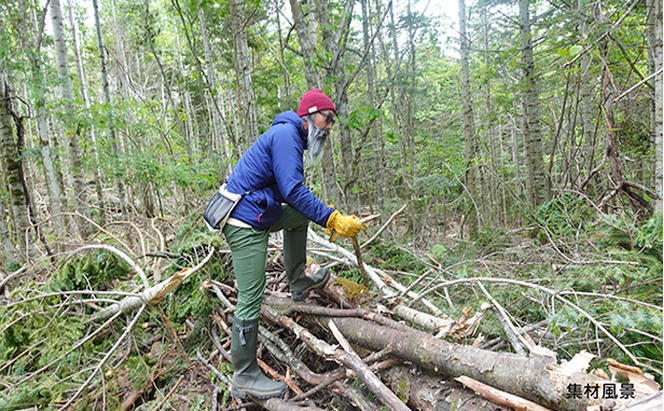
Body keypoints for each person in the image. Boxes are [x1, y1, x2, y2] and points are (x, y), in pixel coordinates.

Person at [223, 89, 368, 399]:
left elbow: (293, 199)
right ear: (309, 115)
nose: (329, 127)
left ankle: (298, 279)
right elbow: (293, 191)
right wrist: (332, 218)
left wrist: (324, 216)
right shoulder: (287, 135)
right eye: (327, 119)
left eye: (332, 122)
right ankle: (244, 374)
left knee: (298, 217)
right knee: (251, 294)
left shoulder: (290, 136)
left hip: (257, 212)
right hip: (243, 221)